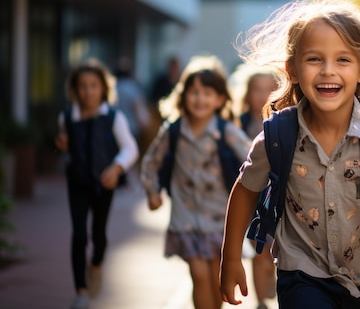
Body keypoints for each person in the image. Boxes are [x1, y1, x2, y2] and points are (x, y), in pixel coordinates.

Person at [220, 0, 360, 309]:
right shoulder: (279, 136)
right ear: (292, 70)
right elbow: (245, 191)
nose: (328, 71)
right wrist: (230, 257)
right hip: (301, 272)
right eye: (314, 59)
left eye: (343, 60)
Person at [141, 55, 251, 309]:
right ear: (182, 95)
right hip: (185, 214)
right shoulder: (174, 130)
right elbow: (150, 163)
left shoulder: (226, 130)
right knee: (199, 274)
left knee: (215, 275)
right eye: (194, 92)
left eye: (207, 93)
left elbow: (252, 157)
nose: (200, 99)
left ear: (220, 99)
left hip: (218, 215)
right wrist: (152, 192)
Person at [54, 58, 139, 309]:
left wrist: (116, 168)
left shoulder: (114, 117)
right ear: (74, 89)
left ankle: (97, 264)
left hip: (104, 183)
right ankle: (80, 291)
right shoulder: (67, 116)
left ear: (103, 88)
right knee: (79, 234)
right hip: (77, 182)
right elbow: (64, 144)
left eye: (93, 85)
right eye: (82, 86)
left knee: (98, 234)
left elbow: (130, 148)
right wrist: (60, 146)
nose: (88, 91)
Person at [231, 66, 279, 309]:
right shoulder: (236, 124)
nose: (262, 95)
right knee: (259, 251)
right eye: (256, 90)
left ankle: (272, 277)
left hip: (280, 198)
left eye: (268, 90)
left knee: (276, 253)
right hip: (251, 199)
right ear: (247, 93)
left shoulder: (284, 122)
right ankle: (261, 302)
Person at [114, 57, 152, 185]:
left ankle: (119, 177)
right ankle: (128, 178)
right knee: (130, 151)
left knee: (117, 151)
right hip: (131, 126)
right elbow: (138, 108)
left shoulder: (113, 87)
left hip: (113, 125)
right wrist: (145, 123)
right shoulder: (132, 88)